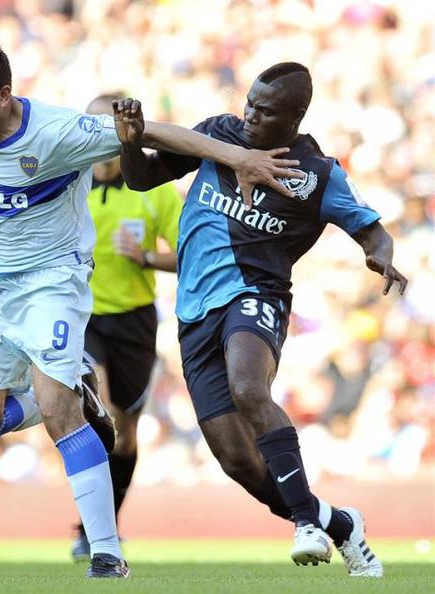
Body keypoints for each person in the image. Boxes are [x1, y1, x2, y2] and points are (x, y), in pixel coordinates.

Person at [0, 40, 300, 579]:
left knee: (60, 409)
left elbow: (156, 134)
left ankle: (105, 551)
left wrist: (238, 157)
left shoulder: (59, 133)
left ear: (3, 96)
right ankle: (71, 393)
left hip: (50, 285)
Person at [115, 62, 407, 577]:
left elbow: (373, 230)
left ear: (295, 117)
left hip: (256, 296)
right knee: (239, 463)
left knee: (249, 386)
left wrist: (380, 255)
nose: (250, 115)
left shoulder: (318, 175)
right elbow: (140, 179)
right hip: (194, 310)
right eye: (250, 103)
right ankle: (338, 524)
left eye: (265, 111)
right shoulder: (218, 135)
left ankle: (307, 525)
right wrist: (130, 143)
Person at [69, 94, 182, 562]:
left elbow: (189, 251)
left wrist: (147, 257)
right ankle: (96, 532)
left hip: (135, 320)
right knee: (105, 412)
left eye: (109, 126)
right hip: (83, 317)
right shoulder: (67, 180)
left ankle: (98, 528)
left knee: (126, 436)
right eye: (92, 125)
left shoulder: (154, 188)